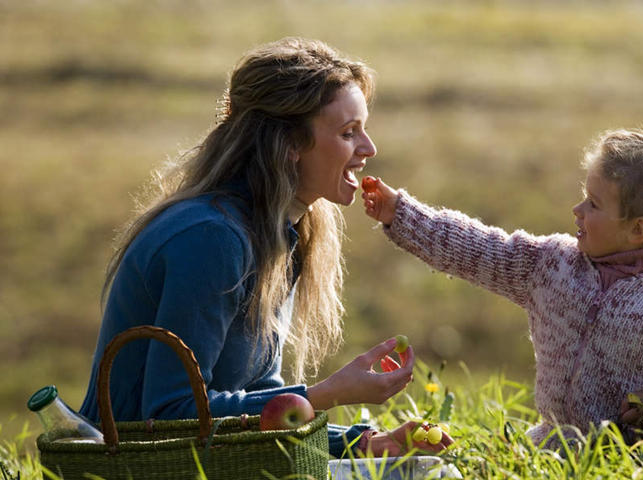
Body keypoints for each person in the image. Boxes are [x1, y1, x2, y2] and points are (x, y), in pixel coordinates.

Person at [78, 37, 452, 458]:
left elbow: (254, 403)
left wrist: (363, 444)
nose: (369, 149)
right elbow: (169, 416)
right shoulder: (211, 240)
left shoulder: (282, 233)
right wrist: (326, 394)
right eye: (349, 133)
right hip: (130, 478)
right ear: (290, 145)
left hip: (203, 469)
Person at [362, 118, 643, 447]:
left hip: (632, 458)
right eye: (584, 197)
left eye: (594, 205)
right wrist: (401, 214)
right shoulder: (553, 264)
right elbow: (479, 250)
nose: (577, 210)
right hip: (552, 443)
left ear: (637, 229)